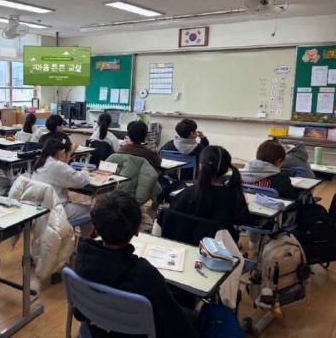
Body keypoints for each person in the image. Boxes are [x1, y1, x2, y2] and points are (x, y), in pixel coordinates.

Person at [74, 191, 198, 338]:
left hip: (98, 330)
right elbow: (174, 324)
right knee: (195, 316)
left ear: (95, 228)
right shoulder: (145, 274)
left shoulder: (82, 257)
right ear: (137, 230)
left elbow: (79, 313)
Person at [172, 146, 248, 241]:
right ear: (226, 169)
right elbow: (242, 220)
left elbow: (173, 217)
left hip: (186, 243)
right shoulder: (234, 196)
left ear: (200, 166)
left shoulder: (186, 194)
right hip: (219, 246)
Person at [31, 137, 90, 222]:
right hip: (55, 211)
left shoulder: (42, 161)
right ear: (62, 152)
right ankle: (80, 232)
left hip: (39, 208)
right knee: (90, 210)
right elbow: (82, 180)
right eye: (68, 154)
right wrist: (85, 171)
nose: (69, 157)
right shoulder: (58, 166)